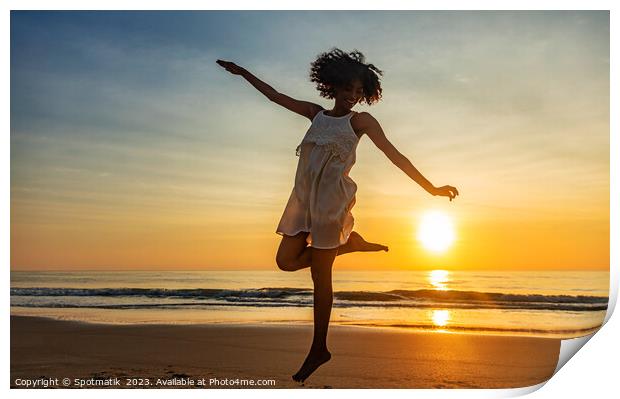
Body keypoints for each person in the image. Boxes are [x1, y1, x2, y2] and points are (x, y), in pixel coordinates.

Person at [216, 47, 459, 384]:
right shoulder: (315, 114)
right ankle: (351, 246)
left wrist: (431, 189)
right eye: (348, 89)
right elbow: (274, 96)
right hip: (303, 202)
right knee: (285, 261)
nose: (353, 97)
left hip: (331, 203)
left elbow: (394, 155)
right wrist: (243, 73)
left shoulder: (359, 122)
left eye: (360, 92)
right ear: (333, 86)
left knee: (320, 277)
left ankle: (319, 348)